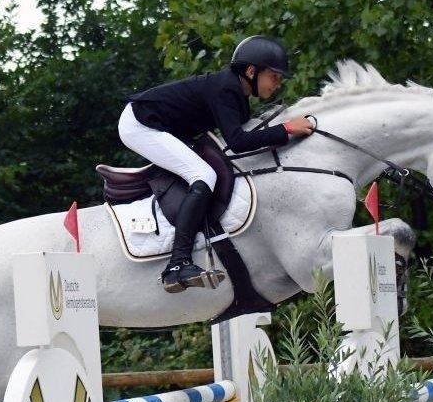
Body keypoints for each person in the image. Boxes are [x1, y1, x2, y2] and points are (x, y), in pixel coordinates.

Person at [119, 35, 316, 292]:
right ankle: (177, 265)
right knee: (203, 175)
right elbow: (239, 142)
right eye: (274, 76)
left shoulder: (237, 97)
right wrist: (288, 128)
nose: (277, 84)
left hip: (166, 128)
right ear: (251, 71)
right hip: (140, 124)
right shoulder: (226, 88)